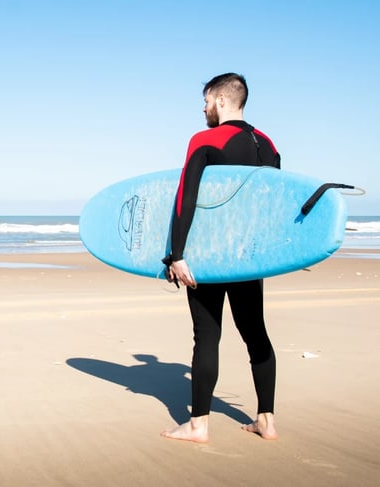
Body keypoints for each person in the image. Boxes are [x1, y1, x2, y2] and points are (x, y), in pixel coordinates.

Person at [160, 73, 281, 443]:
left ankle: (198, 425)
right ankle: (266, 421)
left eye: (207, 100)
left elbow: (186, 197)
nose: (204, 107)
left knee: (207, 336)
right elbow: (271, 207)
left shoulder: (206, 139)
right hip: (248, 259)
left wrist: (176, 255)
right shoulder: (268, 145)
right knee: (255, 334)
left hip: (208, 258)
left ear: (223, 101)